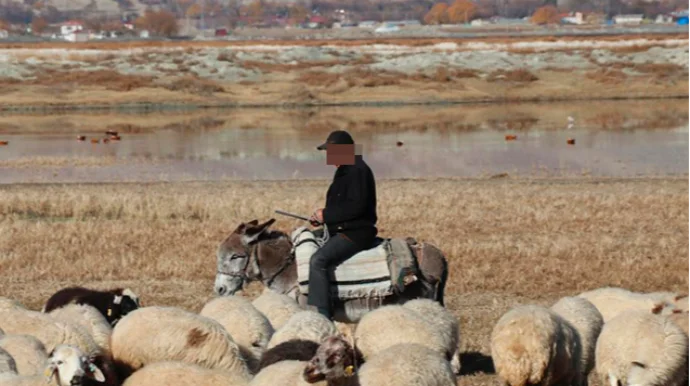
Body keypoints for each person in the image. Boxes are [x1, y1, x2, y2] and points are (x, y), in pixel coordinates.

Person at [307, 130, 378, 320]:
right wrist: (323, 218)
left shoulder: (357, 171)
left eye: (331, 152)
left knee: (318, 260)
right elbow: (342, 206)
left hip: (356, 232)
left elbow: (357, 207)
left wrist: (326, 214)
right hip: (343, 227)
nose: (328, 157)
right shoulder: (347, 169)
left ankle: (321, 314)